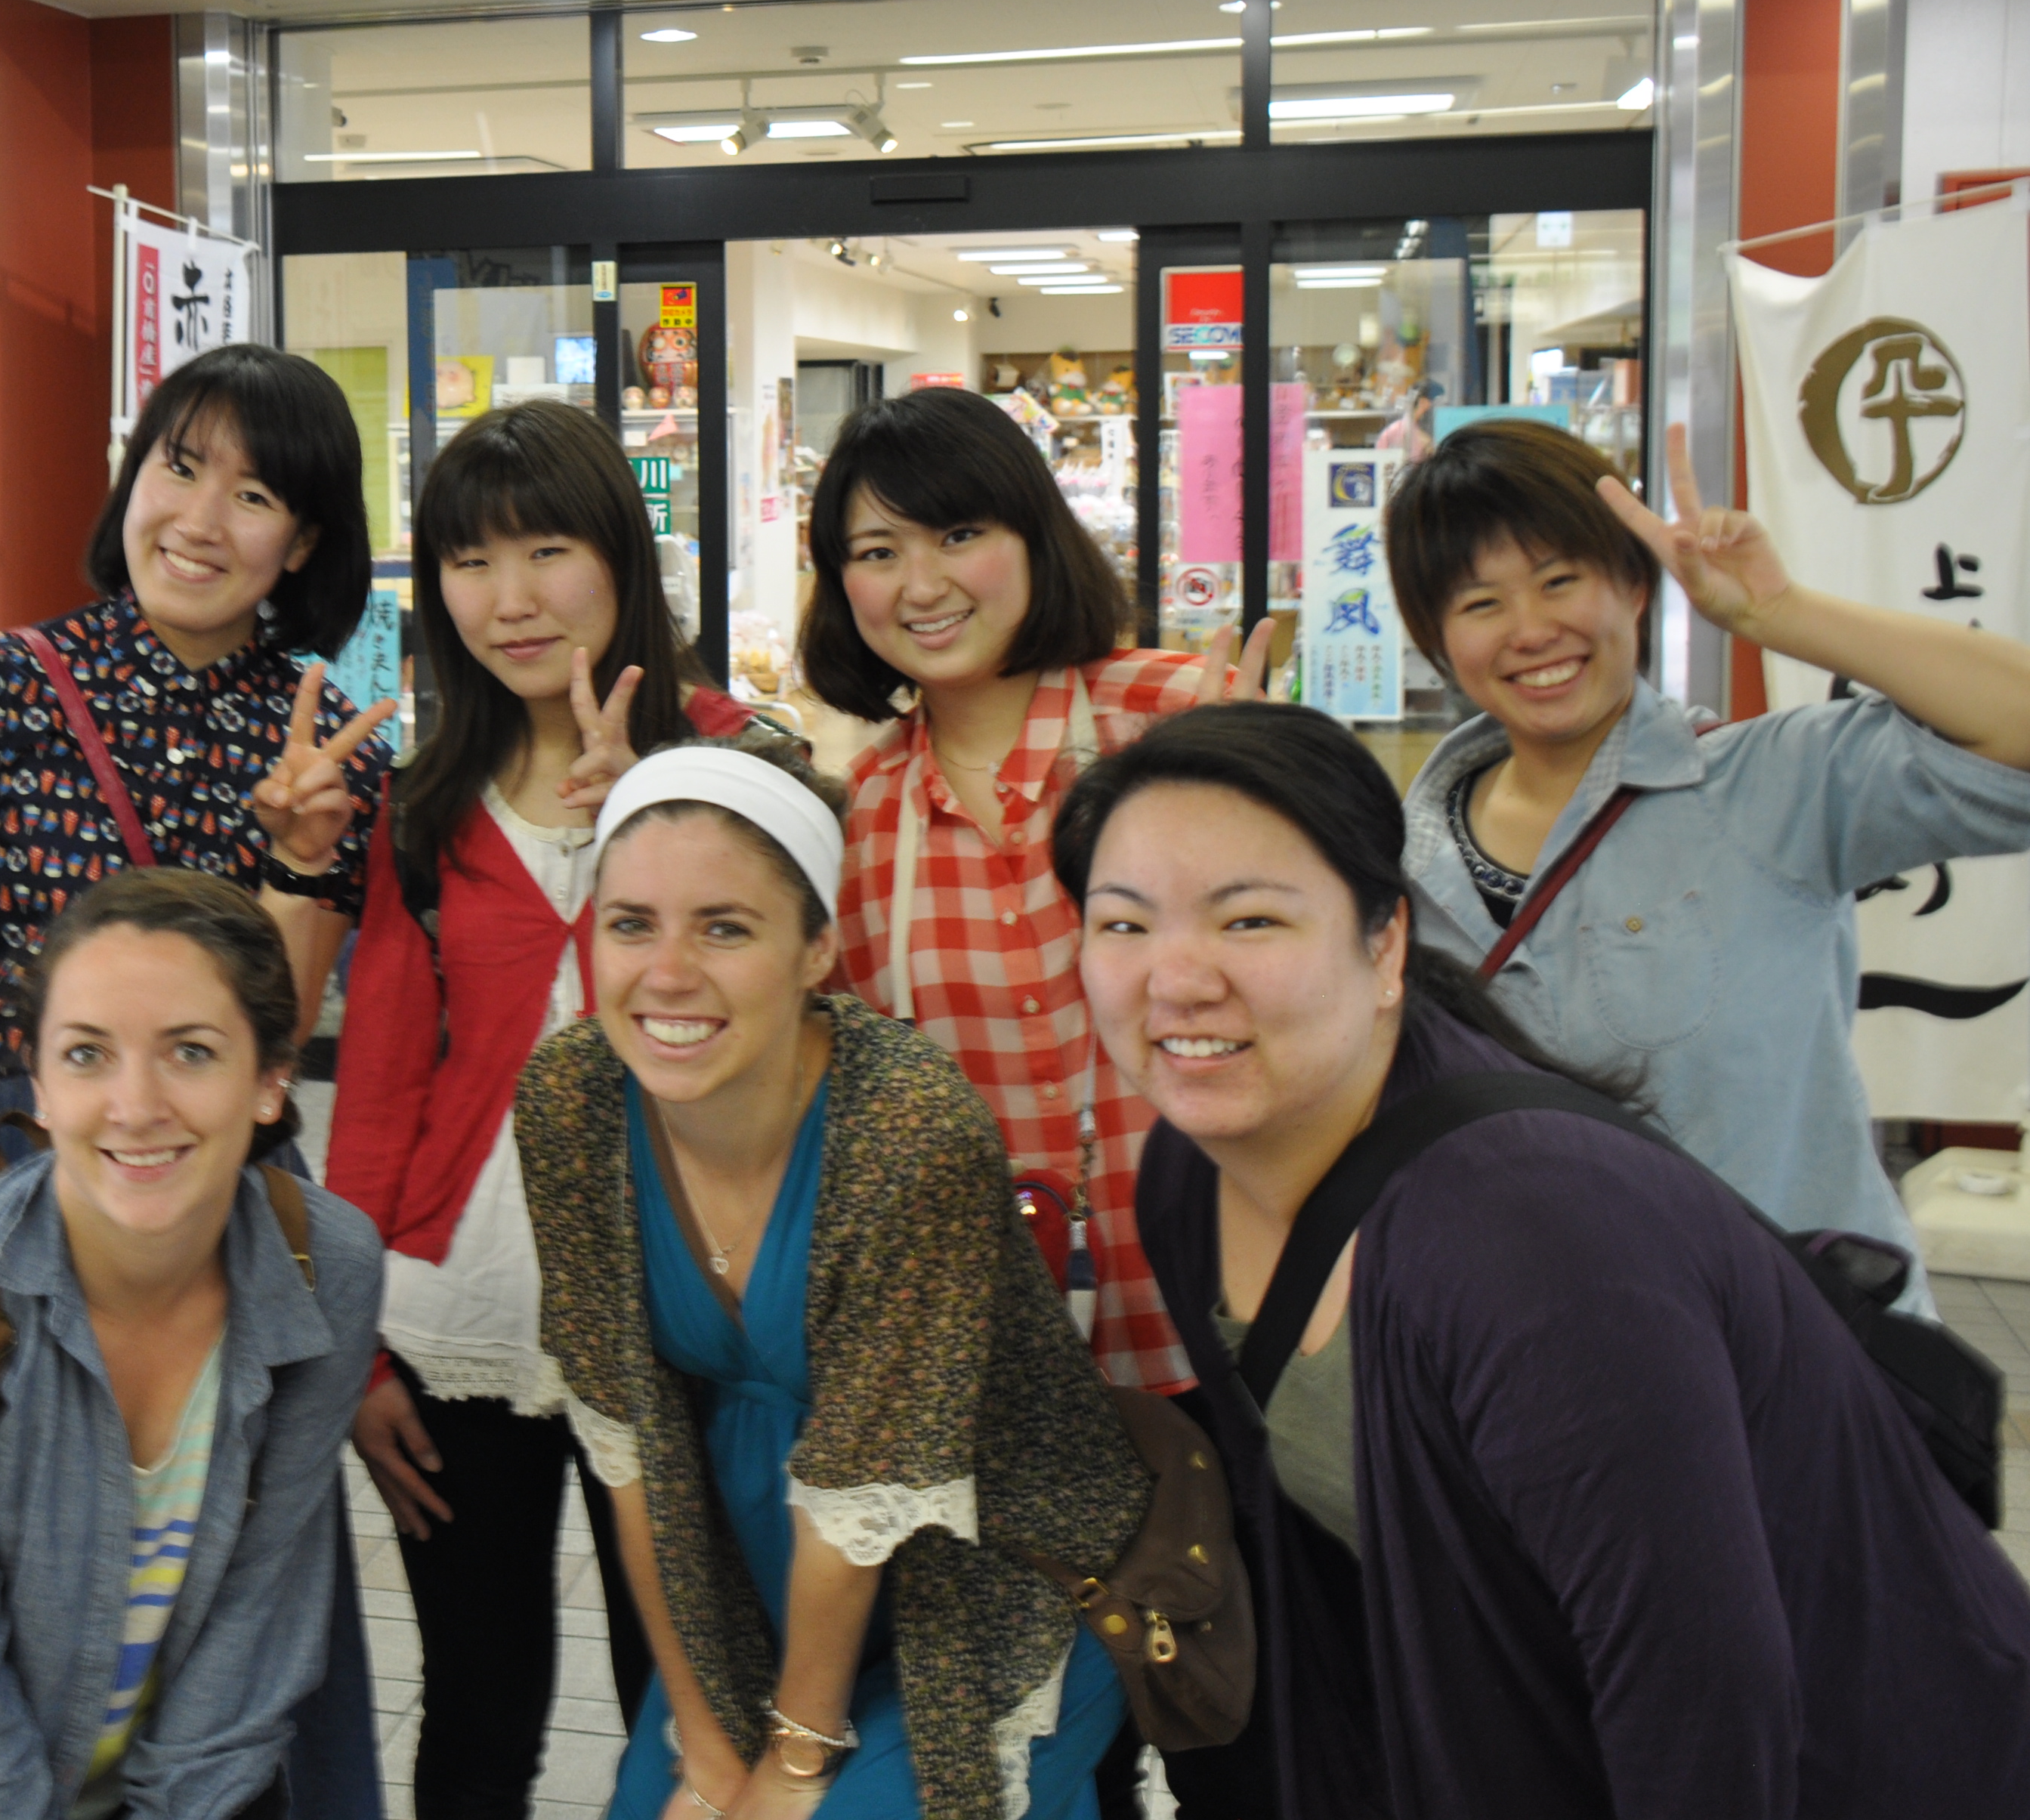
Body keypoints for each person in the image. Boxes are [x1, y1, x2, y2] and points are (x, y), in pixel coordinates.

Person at [1073, 700, 2030, 1818]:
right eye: (1124, 925)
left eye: (1250, 923)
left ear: (1385, 944)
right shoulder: (1189, 1178)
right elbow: (1327, 1580)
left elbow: (1700, 1702)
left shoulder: (1530, 1243)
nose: (1176, 981)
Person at [518, 737, 1148, 1820]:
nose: (666, 974)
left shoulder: (906, 1128)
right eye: (631, 925)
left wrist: (794, 1763)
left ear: (817, 950)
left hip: (988, 1565)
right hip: (749, 1565)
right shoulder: (572, 1099)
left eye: (724, 928)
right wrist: (704, 1731)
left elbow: (865, 1498)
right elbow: (625, 1445)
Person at [333, 401, 742, 1816]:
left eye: (545, 549)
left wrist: (658, 824)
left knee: (686, 1699)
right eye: (465, 560)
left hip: (692, 1315)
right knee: (476, 1703)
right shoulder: (425, 809)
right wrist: (359, 1349)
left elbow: (800, 1034)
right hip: (465, 1316)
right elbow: (380, 1086)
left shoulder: (740, 763)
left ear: (620, 556)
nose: (506, 599)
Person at [1384, 419, 2030, 1297]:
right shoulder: (1400, 864)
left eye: (1559, 579)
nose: (1529, 630)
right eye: (1479, 603)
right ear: (1438, 637)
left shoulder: (1771, 787)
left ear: (1632, 586)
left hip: (1797, 1370)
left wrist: (1783, 615)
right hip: (1545, 1365)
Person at [0, 867, 384, 1820]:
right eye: (87, 1055)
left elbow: (258, 1615)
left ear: (271, 1078)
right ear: (36, 1077)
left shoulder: (326, 1265)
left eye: (191, 1052)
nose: (135, 1104)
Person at [801, 385, 1270, 1392]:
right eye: (878, 551)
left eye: (960, 533)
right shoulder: (868, 811)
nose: (922, 584)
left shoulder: (1176, 718)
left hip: (1238, 1307)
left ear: (1034, 535)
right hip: (1002, 1348)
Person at [0, 341, 394, 1206]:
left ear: (302, 542)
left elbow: (277, 1036)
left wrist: (300, 859)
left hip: (205, 1163)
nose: (198, 521)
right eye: (179, 468)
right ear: (133, 474)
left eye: (253, 496)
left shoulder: (334, 754)